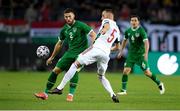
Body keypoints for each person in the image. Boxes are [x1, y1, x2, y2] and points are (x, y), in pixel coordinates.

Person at [49, 9, 121, 103]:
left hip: (96, 49)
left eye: (102, 16)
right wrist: (107, 49)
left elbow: (106, 25)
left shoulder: (106, 21)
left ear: (107, 16)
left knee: (75, 64)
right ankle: (112, 94)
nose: (101, 18)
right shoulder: (117, 30)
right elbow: (117, 47)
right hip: (105, 54)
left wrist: (104, 30)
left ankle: (60, 88)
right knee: (101, 76)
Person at [34, 8, 96, 102]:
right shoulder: (64, 29)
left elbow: (93, 34)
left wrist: (92, 48)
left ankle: (70, 95)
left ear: (74, 16)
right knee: (55, 71)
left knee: (74, 70)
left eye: (69, 16)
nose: (68, 18)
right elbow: (59, 44)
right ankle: (45, 94)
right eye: (66, 17)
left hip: (82, 54)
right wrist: (52, 57)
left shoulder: (81, 25)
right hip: (69, 53)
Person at [117, 15, 165, 95]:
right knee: (125, 71)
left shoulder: (141, 31)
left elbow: (146, 43)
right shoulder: (128, 31)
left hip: (140, 55)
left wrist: (146, 54)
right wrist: (121, 51)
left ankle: (159, 83)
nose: (133, 22)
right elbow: (124, 41)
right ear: (130, 22)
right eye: (132, 20)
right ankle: (123, 90)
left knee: (147, 72)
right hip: (131, 55)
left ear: (138, 22)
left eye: (135, 20)